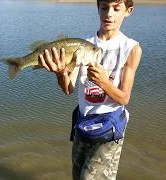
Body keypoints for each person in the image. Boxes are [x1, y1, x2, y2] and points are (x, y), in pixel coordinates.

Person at [38, 0, 142, 179]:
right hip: (83, 124)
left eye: (116, 9)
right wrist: (61, 72)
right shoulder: (83, 44)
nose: (109, 14)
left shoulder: (131, 48)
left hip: (109, 128)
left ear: (128, 11)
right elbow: (68, 89)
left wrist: (104, 81)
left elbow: (124, 99)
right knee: (77, 175)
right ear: (98, 8)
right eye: (104, 8)